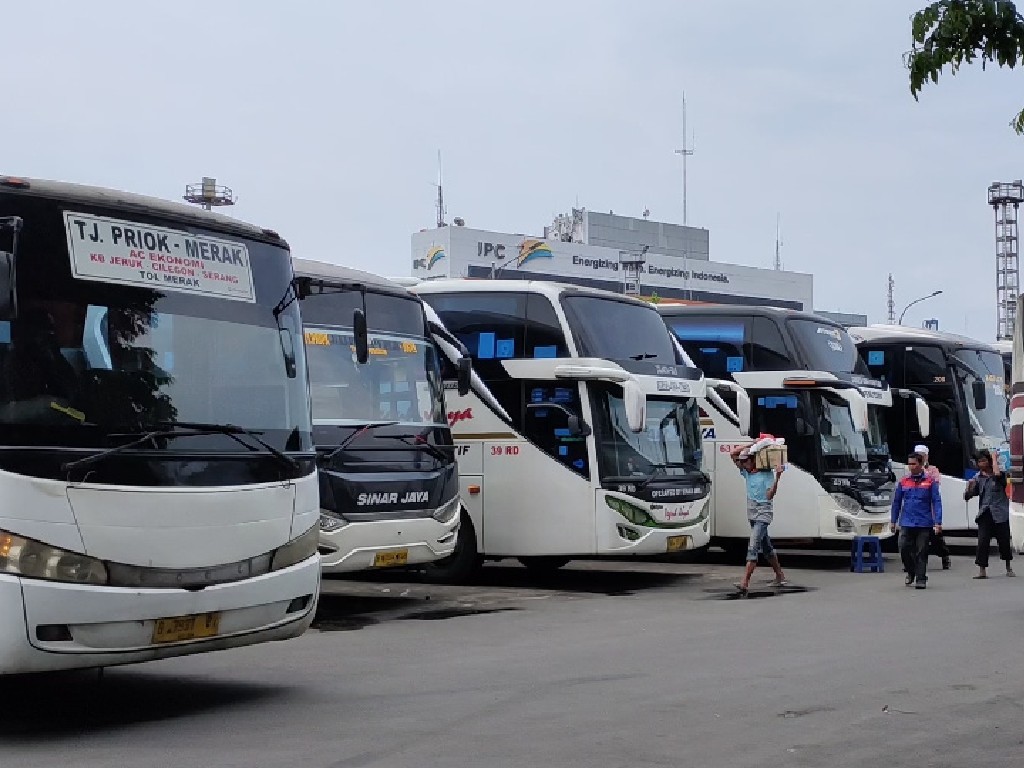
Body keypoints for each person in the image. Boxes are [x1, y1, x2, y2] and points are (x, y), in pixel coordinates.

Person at [730, 442, 788, 595]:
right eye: (741, 462)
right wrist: (753, 443)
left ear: (752, 460)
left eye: (745, 461)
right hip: (752, 513)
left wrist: (778, 477)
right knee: (767, 547)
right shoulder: (747, 473)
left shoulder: (766, 474)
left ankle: (745, 582)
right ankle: (780, 576)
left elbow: (770, 495)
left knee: (753, 545)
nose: (742, 464)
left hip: (763, 513)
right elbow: (732, 454)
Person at [891, 451, 943, 589]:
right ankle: (911, 571)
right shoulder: (903, 482)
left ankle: (921, 578)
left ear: (921, 464)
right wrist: (893, 520)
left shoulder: (930, 482)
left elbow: (936, 502)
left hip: (924, 522)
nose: (911, 467)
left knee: (922, 551)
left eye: (914, 464)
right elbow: (896, 502)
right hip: (906, 521)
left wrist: (938, 522)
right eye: (909, 464)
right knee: (904, 548)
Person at [965, 449, 1015, 579]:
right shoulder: (977, 478)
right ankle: (982, 570)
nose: (982, 464)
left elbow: (998, 475)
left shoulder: (1001, 474)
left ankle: (1008, 566)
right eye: (979, 461)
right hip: (985, 513)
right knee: (983, 542)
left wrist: (994, 458)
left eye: (984, 460)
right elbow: (968, 496)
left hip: (1000, 512)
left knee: (1004, 542)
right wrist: (969, 488)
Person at [915, 444, 951, 570]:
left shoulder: (933, 470)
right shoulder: (913, 470)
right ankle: (916, 562)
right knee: (916, 538)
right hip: (918, 509)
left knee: (936, 538)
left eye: (922, 456)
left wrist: (924, 471)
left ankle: (944, 555)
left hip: (930, 508)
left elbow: (935, 484)